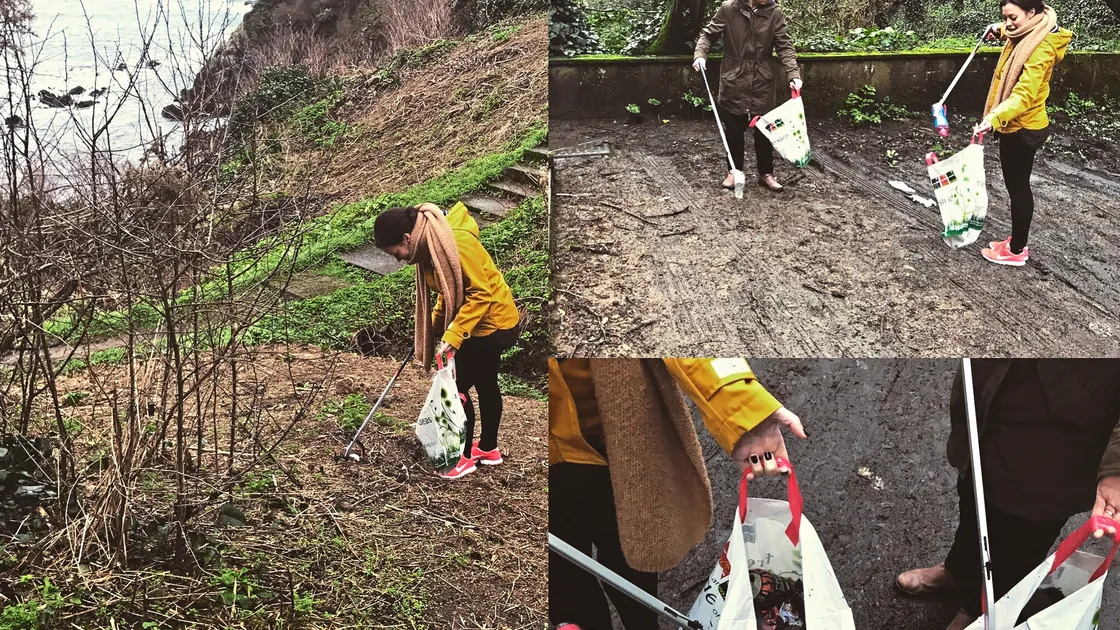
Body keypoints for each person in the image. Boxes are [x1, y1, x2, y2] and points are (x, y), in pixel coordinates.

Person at [549, 358, 808, 629]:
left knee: (635, 564)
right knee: (568, 590)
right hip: (552, 468)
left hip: (620, 449)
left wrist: (743, 407)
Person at [895, 359, 1120, 630]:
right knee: (973, 498)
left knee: (1022, 541)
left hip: (1067, 432)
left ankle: (980, 611)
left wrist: (1117, 467)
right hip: (996, 387)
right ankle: (958, 570)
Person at [374, 201, 520, 480]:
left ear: (407, 238)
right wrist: (430, 330)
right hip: (479, 323)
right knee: (486, 382)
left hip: (492, 324)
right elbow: (448, 292)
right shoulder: (431, 246)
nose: (399, 259)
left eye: (396, 252)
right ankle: (488, 449)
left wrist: (452, 336)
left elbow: (481, 294)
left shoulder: (456, 242)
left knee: (456, 388)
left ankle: (461, 458)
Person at [973, 0, 1072, 267]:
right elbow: (1015, 30)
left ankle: (1016, 250)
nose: (1008, 24)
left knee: (1018, 189)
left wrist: (994, 117)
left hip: (1023, 127)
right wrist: (1000, 28)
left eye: (1012, 17)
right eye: (1004, 17)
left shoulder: (1042, 48)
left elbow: (1024, 95)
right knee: (1016, 186)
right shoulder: (1034, 30)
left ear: (1032, 12)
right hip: (1016, 124)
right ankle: (1017, 241)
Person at [693, 0, 802, 192]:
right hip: (734, 78)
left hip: (763, 80)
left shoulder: (774, 12)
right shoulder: (729, 9)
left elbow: (784, 46)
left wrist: (793, 75)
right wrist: (700, 54)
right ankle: (734, 172)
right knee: (734, 130)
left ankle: (766, 174)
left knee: (765, 130)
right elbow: (708, 35)